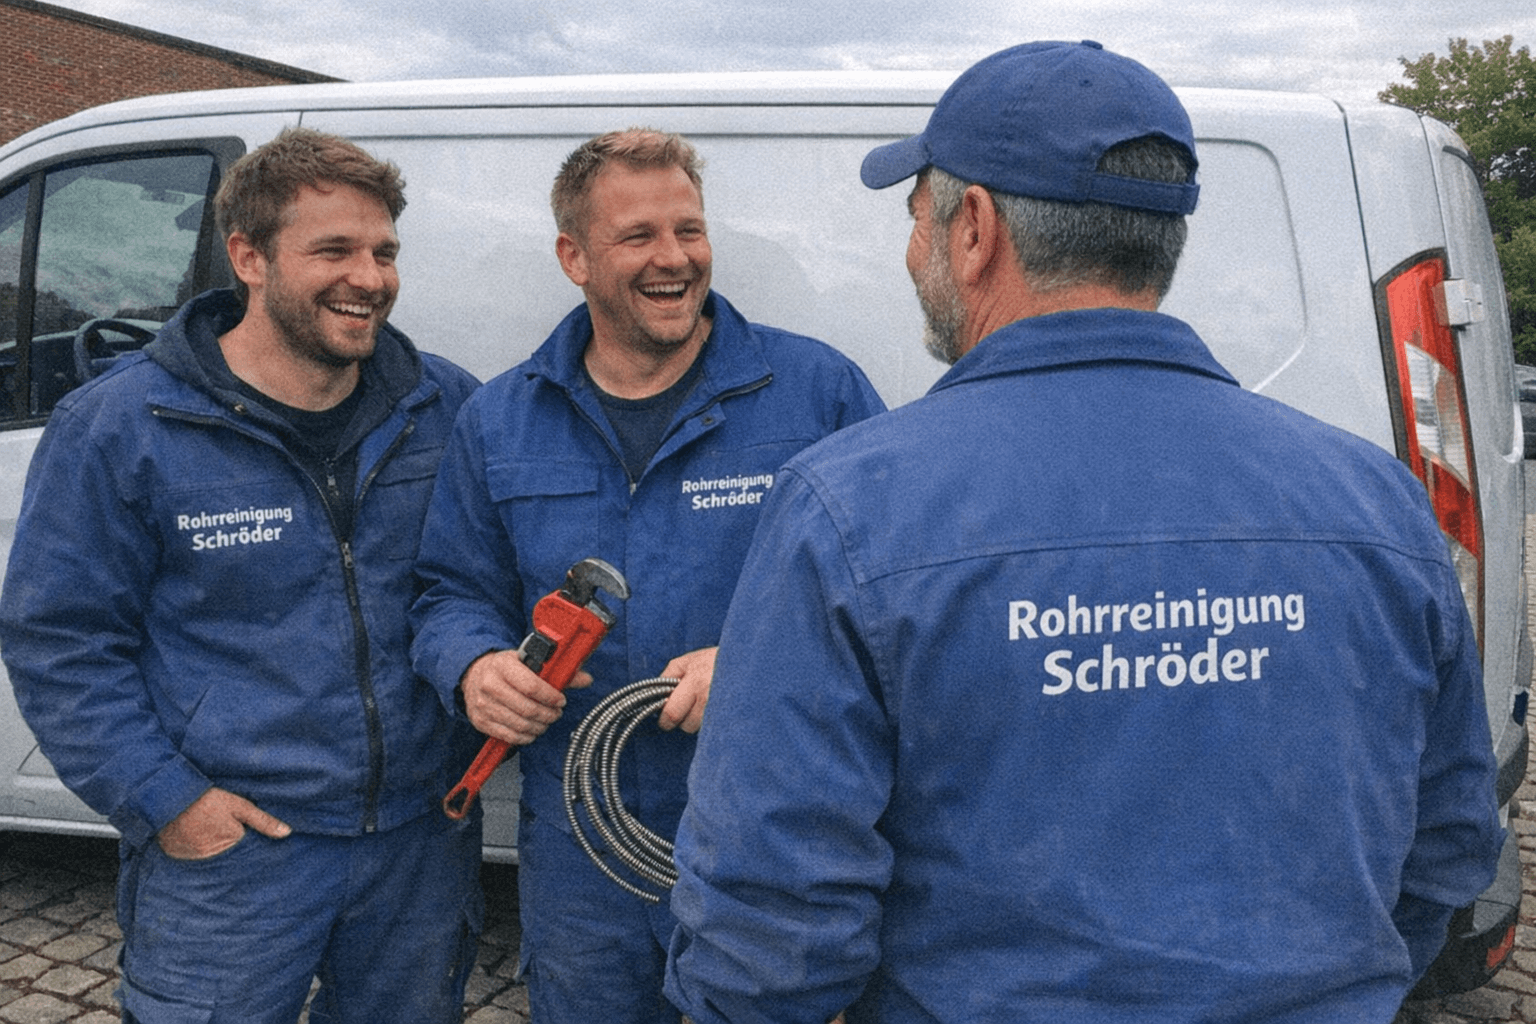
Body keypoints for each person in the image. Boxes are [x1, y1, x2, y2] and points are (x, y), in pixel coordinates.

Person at [664, 40, 1505, 1024]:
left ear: (972, 229)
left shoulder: (850, 507)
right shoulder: (1376, 496)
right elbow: (1448, 837)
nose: (911, 254)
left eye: (916, 218)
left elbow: (773, 914)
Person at [0, 127, 482, 1024]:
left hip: (418, 842)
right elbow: (60, 642)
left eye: (383, 251)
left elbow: (480, 585)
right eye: (333, 249)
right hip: (236, 856)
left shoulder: (444, 406)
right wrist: (167, 801)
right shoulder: (122, 426)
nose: (370, 278)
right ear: (247, 257)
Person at [409, 127, 884, 1023]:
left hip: (768, 832)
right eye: (639, 237)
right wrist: (473, 666)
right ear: (574, 257)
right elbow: (450, 590)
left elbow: (892, 599)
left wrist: (756, 663)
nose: (675, 259)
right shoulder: (502, 418)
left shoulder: (817, 393)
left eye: (689, 230)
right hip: (581, 844)